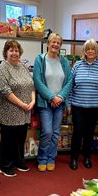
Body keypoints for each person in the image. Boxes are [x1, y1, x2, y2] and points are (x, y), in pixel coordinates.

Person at [68, 39, 98, 170]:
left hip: (95, 107)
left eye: (93, 49)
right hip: (78, 106)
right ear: (84, 51)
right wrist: (69, 104)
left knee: (89, 132)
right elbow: (70, 85)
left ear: (97, 51)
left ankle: (87, 157)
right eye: (88, 49)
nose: (90, 51)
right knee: (78, 132)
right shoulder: (77, 66)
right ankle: (74, 158)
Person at [33, 33, 73, 172]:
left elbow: (69, 81)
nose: (55, 45)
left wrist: (60, 97)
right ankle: (42, 158)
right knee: (47, 132)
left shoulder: (64, 61)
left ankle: (51, 158)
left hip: (60, 103)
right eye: (53, 42)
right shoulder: (40, 59)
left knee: (56, 133)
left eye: (58, 43)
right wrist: (51, 97)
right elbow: (37, 82)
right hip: (45, 103)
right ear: (48, 44)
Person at [0, 40, 35, 178]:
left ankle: (19, 161)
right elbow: (4, 90)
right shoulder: (3, 68)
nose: (14, 53)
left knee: (20, 138)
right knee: (8, 139)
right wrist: (22, 104)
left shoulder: (23, 67)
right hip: (9, 111)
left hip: (24, 111)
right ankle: (6, 165)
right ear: (6, 52)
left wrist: (33, 101)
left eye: (16, 50)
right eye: (11, 50)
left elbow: (31, 85)